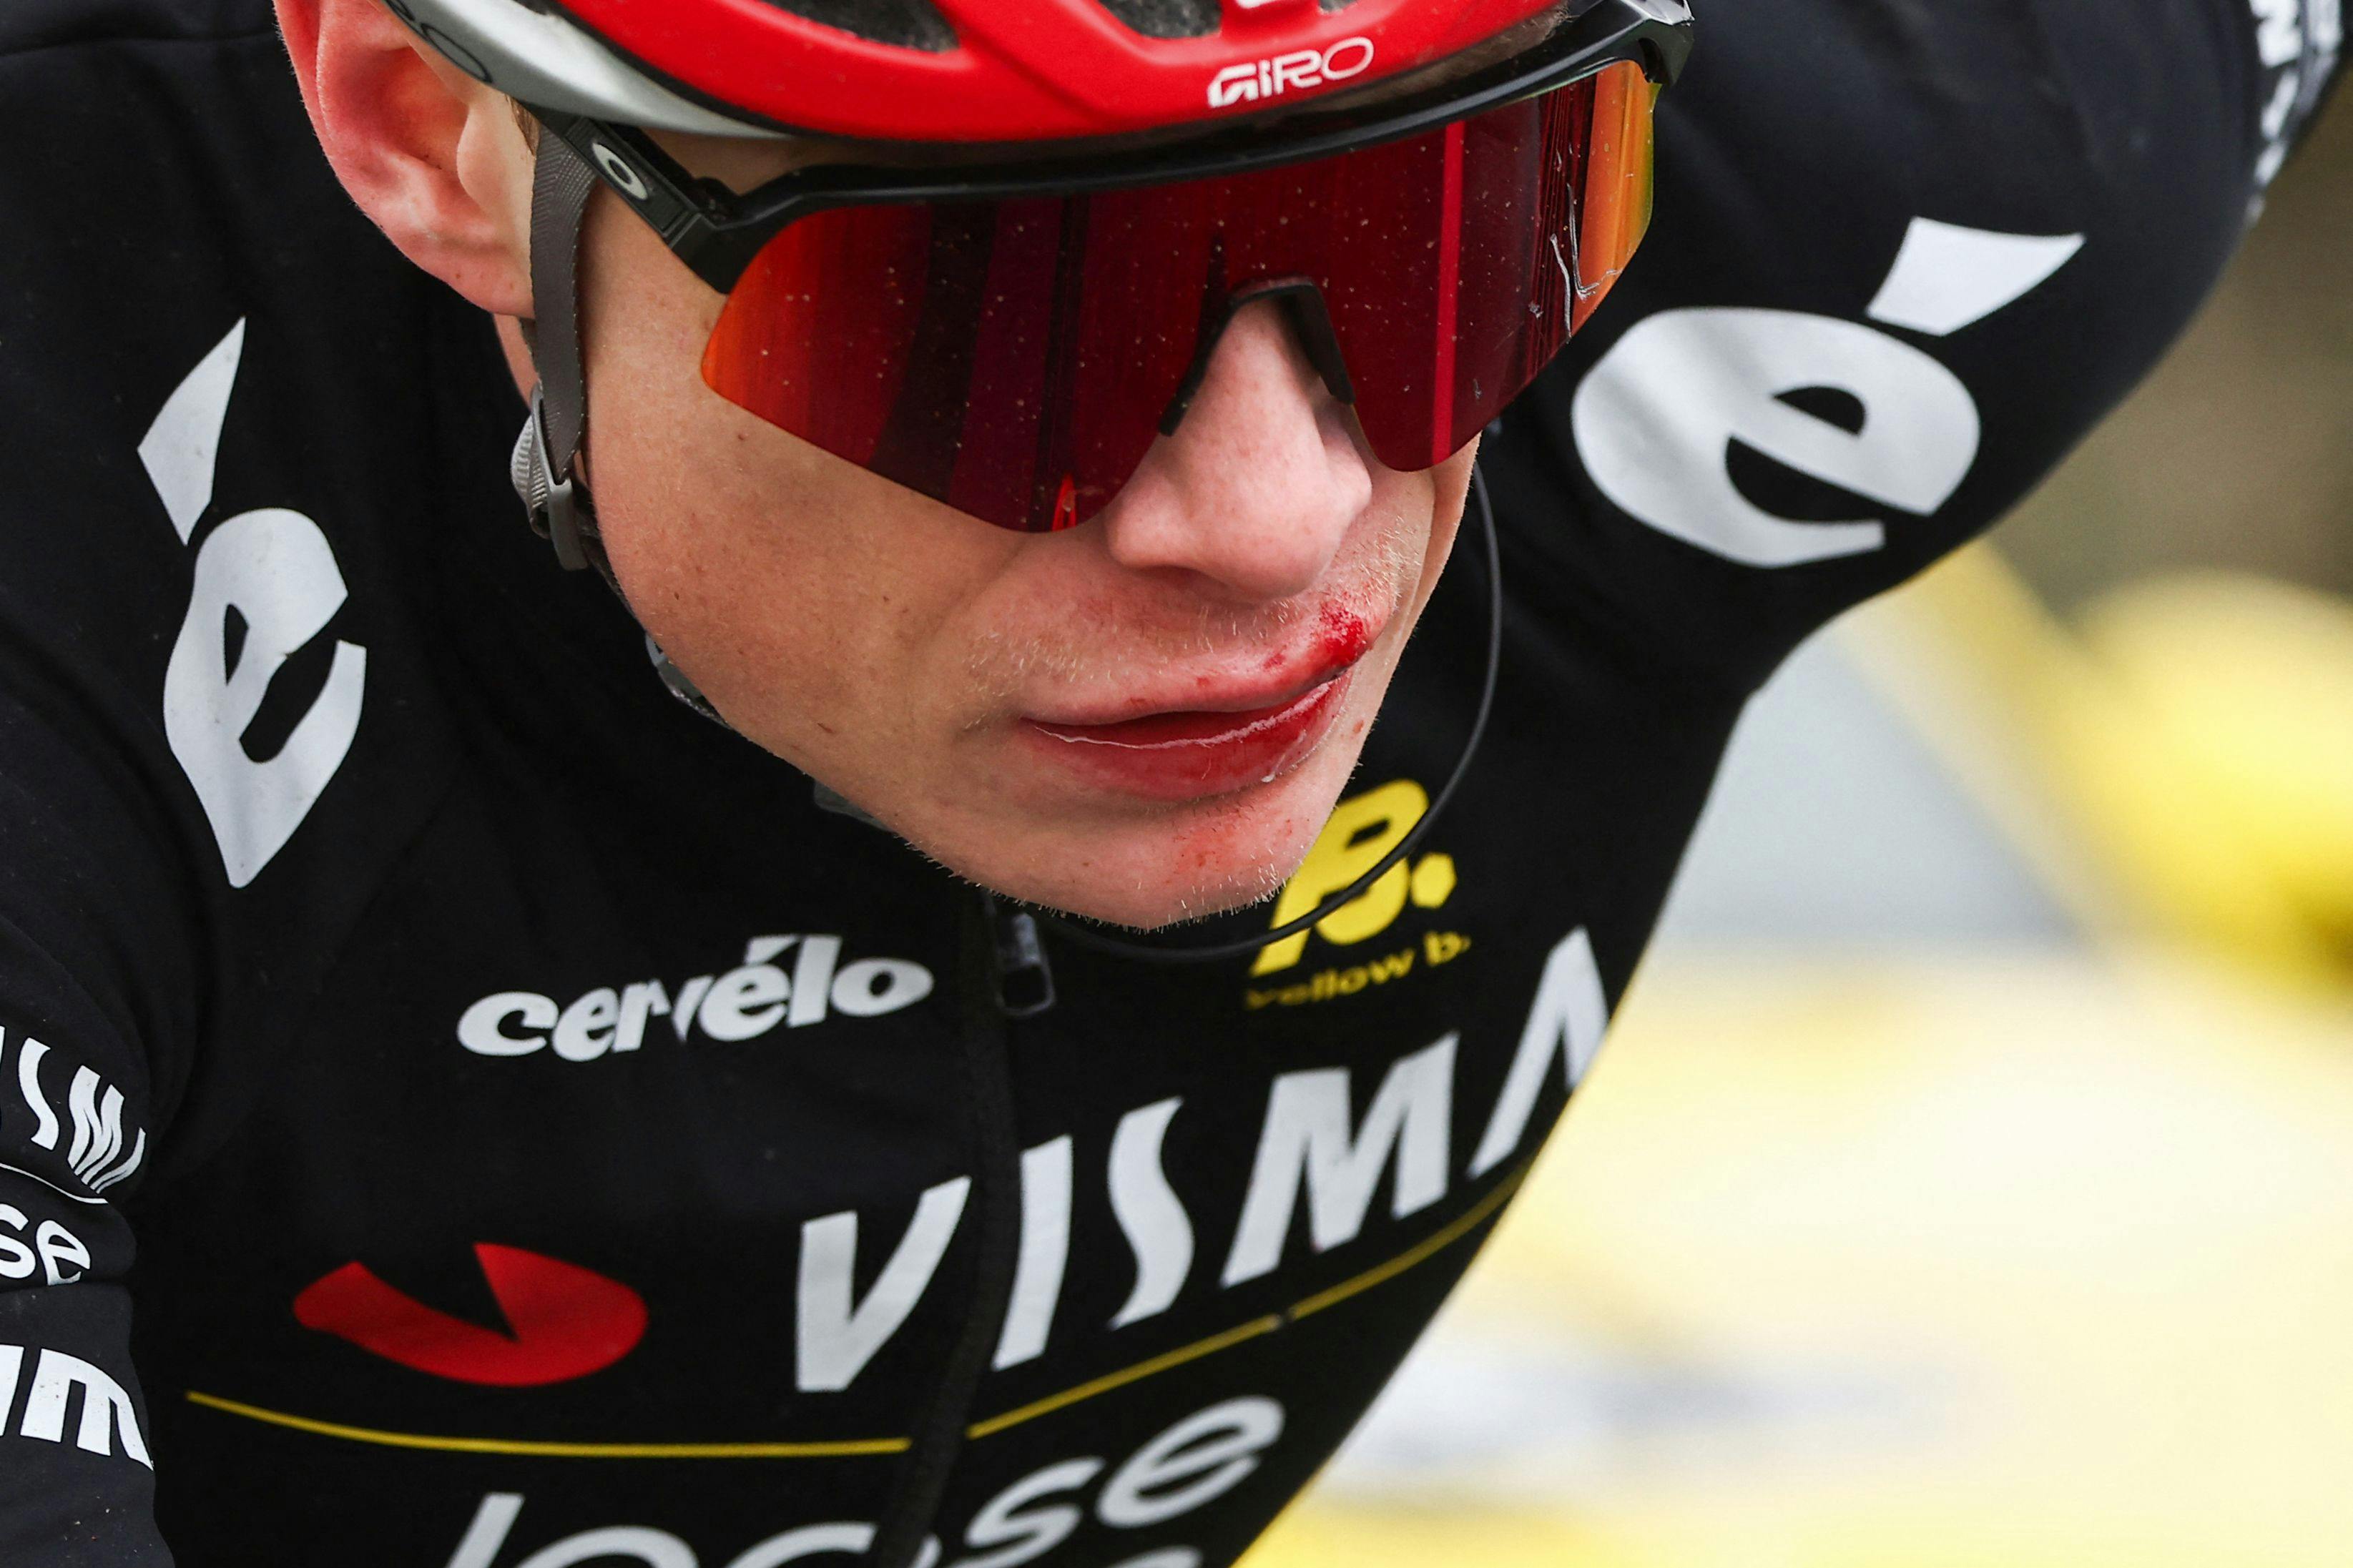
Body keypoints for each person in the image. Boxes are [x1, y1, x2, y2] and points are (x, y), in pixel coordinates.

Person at [0, 0, 2336, 1562]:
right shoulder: (69, 439)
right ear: (432, 132)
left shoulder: (1936, 178)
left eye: (1444, 242)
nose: (1271, 515)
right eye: (999, 323)